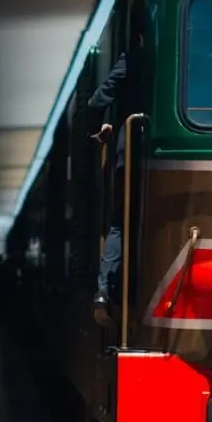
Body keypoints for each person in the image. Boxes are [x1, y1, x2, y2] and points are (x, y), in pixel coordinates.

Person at [88, 51, 129, 314]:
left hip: (131, 156)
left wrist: (99, 128)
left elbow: (96, 100)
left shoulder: (132, 58)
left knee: (119, 224)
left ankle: (104, 287)